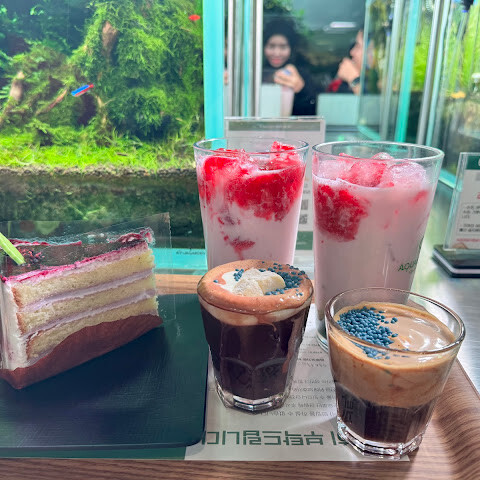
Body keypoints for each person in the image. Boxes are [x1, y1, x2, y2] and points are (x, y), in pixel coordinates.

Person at [262, 19, 317, 116]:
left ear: (291, 48)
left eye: (283, 47)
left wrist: (301, 90)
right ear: (263, 47)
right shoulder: (257, 72)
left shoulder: (302, 75)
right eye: (271, 46)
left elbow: (312, 111)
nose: (277, 53)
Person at [327, 29, 378, 95]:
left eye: (358, 46)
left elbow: (370, 100)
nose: (352, 52)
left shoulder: (380, 84)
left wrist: (353, 79)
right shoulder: (345, 86)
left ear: (372, 53)